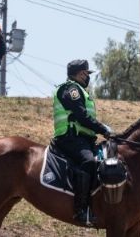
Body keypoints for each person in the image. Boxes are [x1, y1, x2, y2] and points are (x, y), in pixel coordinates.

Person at [51, 59, 113, 226]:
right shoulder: (71, 89)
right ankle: (80, 210)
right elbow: (81, 116)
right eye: (86, 74)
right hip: (69, 138)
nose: (88, 77)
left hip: (83, 139)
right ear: (79, 74)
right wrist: (103, 129)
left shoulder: (79, 90)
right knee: (89, 161)